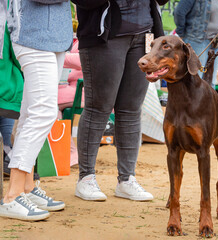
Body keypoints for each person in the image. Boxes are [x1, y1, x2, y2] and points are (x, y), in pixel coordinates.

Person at [71, 0, 168, 202]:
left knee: (132, 109)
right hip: (105, 36)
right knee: (99, 107)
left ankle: (127, 179)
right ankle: (86, 177)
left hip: (144, 35)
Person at [0, 0, 73, 221]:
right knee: (44, 112)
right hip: (31, 36)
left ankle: (27, 188)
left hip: (56, 38)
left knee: (32, 112)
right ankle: (12, 196)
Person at [174, 0, 218, 89]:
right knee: (195, 79)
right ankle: (192, 102)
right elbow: (179, 12)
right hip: (197, 40)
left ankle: (208, 102)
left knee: (211, 80)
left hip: (216, 43)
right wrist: (181, 33)